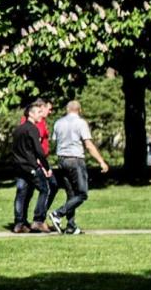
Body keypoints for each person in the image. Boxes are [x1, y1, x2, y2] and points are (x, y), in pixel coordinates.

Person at [48, 98, 111, 234]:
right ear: (79, 110)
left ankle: (71, 226)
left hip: (62, 160)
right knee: (82, 194)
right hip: (75, 160)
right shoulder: (81, 123)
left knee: (71, 194)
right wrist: (101, 161)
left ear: (67, 110)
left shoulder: (58, 123)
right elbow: (88, 145)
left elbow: (54, 142)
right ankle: (58, 213)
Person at [7, 101, 59, 234]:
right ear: (30, 114)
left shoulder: (18, 129)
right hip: (30, 166)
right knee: (44, 189)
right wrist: (46, 167)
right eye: (38, 112)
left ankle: (19, 223)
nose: (40, 115)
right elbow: (38, 150)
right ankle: (38, 220)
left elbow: (14, 150)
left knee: (21, 194)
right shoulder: (32, 129)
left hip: (19, 167)